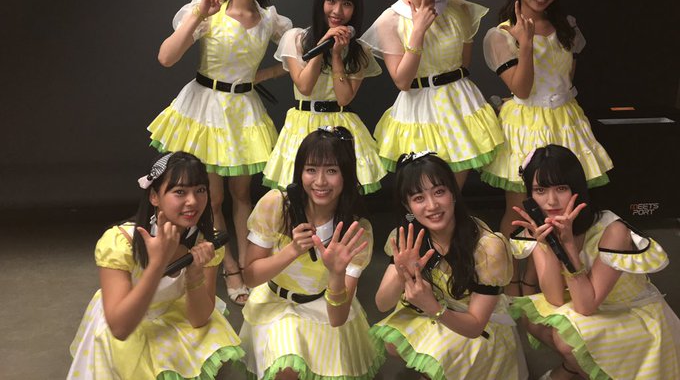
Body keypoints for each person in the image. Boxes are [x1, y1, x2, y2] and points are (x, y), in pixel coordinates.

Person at [147, 0, 292, 305]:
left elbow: (299, 53)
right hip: (205, 110)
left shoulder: (270, 19)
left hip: (243, 111)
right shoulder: (209, 9)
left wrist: (267, 74)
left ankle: (247, 265)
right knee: (210, 198)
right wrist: (199, 13)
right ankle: (228, 268)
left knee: (243, 195)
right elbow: (166, 57)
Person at [480, 0, 612, 294]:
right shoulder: (501, 35)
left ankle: (540, 279)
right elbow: (522, 89)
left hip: (565, 120)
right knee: (519, 209)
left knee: (562, 208)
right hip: (525, 123)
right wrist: (525, 44)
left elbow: (567, 77)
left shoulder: (566, 26)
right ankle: (510, 281)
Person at [67, 152, 244, 379]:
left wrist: (194, 275)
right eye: (180, 192)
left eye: (200, 190)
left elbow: (199, 319)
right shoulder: (120, 242)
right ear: (154, 196)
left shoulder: (206, 242)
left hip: (173, 316)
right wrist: (157, 265)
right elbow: (120, 328)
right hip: (125, 320)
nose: (193, 201)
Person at [510, 144, 680, 379]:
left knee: (565, 339)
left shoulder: (613, 230)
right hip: (589, 306)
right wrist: (547, 246)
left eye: (561, 188)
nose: (551, 201)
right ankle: (577, 368)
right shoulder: (541, 228)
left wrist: (569, 246)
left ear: (577, 189)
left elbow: (585, 306)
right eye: (540, 190)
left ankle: (578, 370)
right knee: (534, 322)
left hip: (629, 312)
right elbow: (555, 298)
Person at [359, 0, 503, 189]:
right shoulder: (390, 20)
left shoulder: (459, 9)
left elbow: (464, 63)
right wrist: (418, 31)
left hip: (459, 106)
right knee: (423, 192)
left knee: (453, 194)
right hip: (418, 111)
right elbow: (402, 81)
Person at [239, 127, 384, 379]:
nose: (320, 181)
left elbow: (337, 318)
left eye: (331, 171)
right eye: (311, 170)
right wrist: (293, 250)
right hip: (275, 305)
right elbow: (250, 277)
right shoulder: (277, 205)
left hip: (323, 309)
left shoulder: (356, 231)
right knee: (286, 368)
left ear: (346, 174)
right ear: (300, 172)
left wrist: (336, 274)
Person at [372, 152, 527, 380]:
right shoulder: (407, 238)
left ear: (453, 193)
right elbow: (382, 304)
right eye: (419, 198)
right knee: (394, 343)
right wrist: (401, 271)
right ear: (408, 206)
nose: (432, 205)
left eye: (439, 192)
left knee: (438, 353)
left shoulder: (488, 247)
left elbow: (475, 326)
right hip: (435, 311)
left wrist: (432, 306)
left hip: (479, 327)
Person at [262, 0, 386, 194]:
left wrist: (337, 55)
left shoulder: (360, 51)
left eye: (346, 3)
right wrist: (322, 46)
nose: (337, 11)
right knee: (301, 193)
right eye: (331, 0)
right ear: (320, 1)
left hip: (341, 126)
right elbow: (305, 86)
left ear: (355, 8)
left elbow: (344, 98)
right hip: (303, 124)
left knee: (338, 193)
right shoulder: (296, 38)